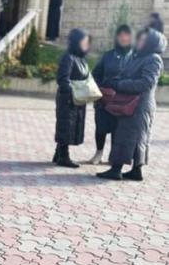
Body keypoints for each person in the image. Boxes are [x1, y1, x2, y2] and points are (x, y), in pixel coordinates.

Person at [97, 28, 167, 181]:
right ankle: (136, 170)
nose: (139, 41)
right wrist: (114, 81)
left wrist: (119, 85)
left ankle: (116, 169)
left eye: (143, 39)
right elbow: (127, 74)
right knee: (131, 136)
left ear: (151, 42)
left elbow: (146, 83)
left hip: (139, 105)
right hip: (130, 102)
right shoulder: (137, 57)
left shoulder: (153, 59)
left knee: (130, 136)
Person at [89, 25, 132, 164]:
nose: (123, 38)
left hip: (123, 99)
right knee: (101, 127)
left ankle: (114, 156)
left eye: (126, 35)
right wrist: (101, 89)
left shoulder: (134, 57)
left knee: (118, 130)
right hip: (105, 99)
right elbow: (95, 74)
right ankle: (98, 153)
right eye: (120, 35)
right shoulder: (108, 55)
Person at [53, 29, 90, 168]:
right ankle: (63, 156)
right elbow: (63, 79)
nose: (86, 44)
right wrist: (72, 92)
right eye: (84, 41)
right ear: (76, 42)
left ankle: (58, 154)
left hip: (78, 99)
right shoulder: (68, 57)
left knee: (72, 126)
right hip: (68, 99)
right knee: (66, 126)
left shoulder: (81, 59)